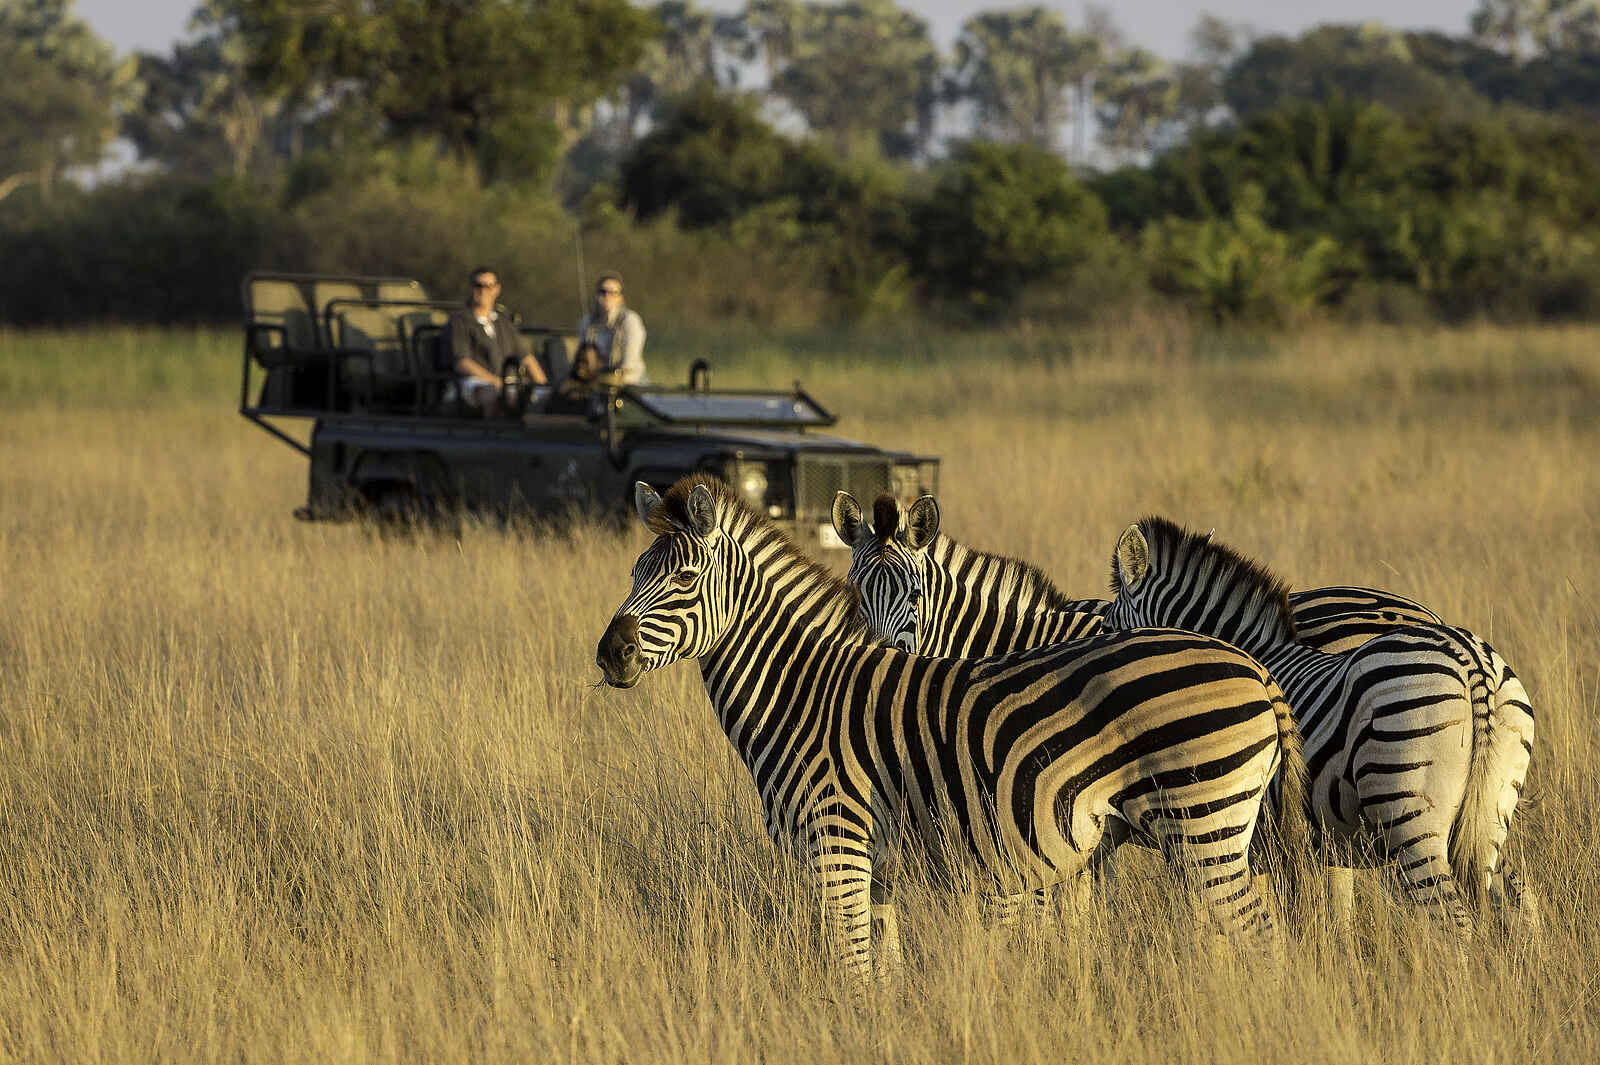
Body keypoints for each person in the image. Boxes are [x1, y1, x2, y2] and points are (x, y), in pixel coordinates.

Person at [443, 267, 548, 416]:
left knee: (543, 395)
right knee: (492, 394)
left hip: (506, 382)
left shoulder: (503, 322)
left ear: (497, 289)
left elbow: (526, 357)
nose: (483, 290)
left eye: (488, 286)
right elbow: (462, 363)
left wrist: (543, 386)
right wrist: (496, 382)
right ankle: (494, 434)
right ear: (471, 288)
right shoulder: (459, 321)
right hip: (473, 382)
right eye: (478, 285)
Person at [575, 271, 647, 386]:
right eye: (602, 292)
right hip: (596, 387)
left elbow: (628, 363)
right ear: (596, 295)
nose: (607, 296)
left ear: (620, 298)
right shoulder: (587, 323)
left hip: (629, 386)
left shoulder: (631, 321)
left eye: (613, 293)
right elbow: (582, 362)